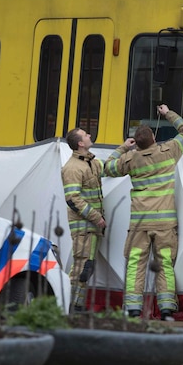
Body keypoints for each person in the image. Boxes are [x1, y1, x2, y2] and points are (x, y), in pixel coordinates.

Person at [103, 104, 183, 320]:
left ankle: (133, 309)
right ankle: (167, 309)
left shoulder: (131, 159)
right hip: (165, 223)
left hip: (139, 224)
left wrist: (124, 147)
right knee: (164, 264)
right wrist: (167, 113)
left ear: (138, 142)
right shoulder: (169, 151)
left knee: (135, 263)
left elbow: (107, 167)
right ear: (154, 137)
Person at [62, 127, 106, 313]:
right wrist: (97, 218)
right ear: (80, 143)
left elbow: (109, 167)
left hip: (91, 226)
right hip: (83, 226)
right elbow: (72, 199)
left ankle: (77, 306)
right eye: (86, 134)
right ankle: (71, 306)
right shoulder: (72, 168)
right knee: (81, 266)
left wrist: (125, 149)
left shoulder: (91, 162)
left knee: (86, 266)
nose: (89, 135)